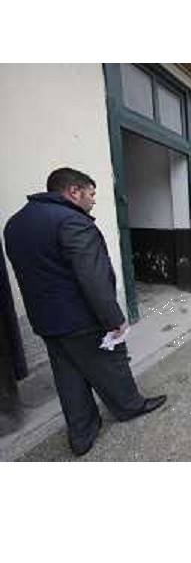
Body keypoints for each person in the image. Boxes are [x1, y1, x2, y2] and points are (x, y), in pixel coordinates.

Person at [4, 167, 167, 456]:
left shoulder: (14, 224)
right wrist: (113, 320)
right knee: (111, 365)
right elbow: (93, 278)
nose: (93, 201)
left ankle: (82, 434)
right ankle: (129, 407)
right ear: (73, 191)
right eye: (91, 194)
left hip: (45, 321)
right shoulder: (73, 222)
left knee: (68, 377)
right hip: (82, 319)